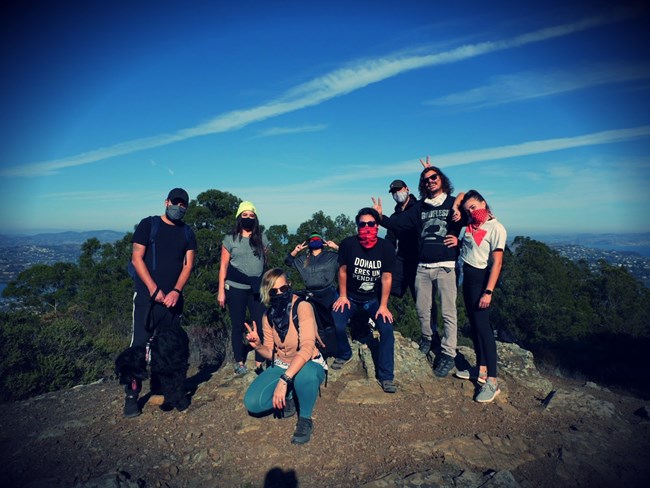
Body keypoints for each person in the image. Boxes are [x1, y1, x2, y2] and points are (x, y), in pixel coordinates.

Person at [372, 159, 462, 378]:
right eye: (426, 179)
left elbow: (474, 206)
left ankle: (448, 353)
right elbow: (397, 225)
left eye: (434, 177)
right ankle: (427, 339)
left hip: (446, 266)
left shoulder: (452, 203)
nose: (430, 181)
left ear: (442, 179)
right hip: (422, 267)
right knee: (423, 309)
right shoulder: (419, 208)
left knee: (448, 312)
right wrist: (379, 217)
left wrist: (459, 209)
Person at [125, 187, 197, 417]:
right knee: (138, 347)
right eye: (175, 202)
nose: (179, 207)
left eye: (183, 204)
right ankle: (131, 396)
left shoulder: (187, 232)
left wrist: (176, 290)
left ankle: (169, 392)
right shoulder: (149, 225)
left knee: (170, 349)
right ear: (166, 202)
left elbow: (188, 265)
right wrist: (154, 289)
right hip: (148, 299)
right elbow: (137, 259)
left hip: (173, 301)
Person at [243, 268, 326, 444]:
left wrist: (284, 380)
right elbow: (270, 352)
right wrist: (258, 346)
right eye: (274, 291)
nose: (280, 293)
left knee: (307, 375)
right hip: (282, 363)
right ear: (268, 293)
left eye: (284, 289)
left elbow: (306, 347)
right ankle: (290, 396)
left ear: (290, 286)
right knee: (253, 403)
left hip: (307, 362)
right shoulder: (268, 316)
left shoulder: (302, 307)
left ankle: (305, 418)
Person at [330, 208, 397, 393]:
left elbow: (386, 278)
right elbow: (342, 271)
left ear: (377, 225)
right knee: (338, 322)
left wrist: (383, 306)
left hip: (372, 300)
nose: (367, 227)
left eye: (371, 224)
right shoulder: (348, 244)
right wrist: (342, 296)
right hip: (349, 295)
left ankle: (386, 376)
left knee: (386, 330)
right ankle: (345, 353)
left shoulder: (386, 248)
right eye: (362, 224)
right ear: (357, 226)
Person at [454, 190, 506, 403]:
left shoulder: (496, 228)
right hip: (468, 280)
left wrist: (488, 291)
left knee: (484, 329)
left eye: (474, 207)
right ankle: (481, 370)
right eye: (468, 210)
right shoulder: (470, 226)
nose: (471, 211)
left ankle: (492, 382)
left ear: (484, 203)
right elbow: (460, 195)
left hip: (482, 282)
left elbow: (497, 263)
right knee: (474, 326)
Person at [218, 201, 269, 376]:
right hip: (235, 287)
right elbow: (223, 266)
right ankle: (239, 362)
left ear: (255, 218)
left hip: (257, 289)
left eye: (251, 215)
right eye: (244, 215)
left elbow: (264, 263)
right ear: (239, 217)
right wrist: (221, 291)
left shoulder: (262, 238)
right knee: (238, 325)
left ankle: (260, 361)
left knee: (261, 324)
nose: (248, 218)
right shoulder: (230, 239)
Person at [284, 232, 340, 358]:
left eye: (317, 239)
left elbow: (348, 256)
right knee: (314, 324)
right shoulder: (303, 259)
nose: (315, 241)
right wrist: (295, 251)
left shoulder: (331, 256)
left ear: (323, 242)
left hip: (328, 294)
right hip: (310, 295)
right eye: (312, 239)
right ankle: (319, 351)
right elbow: (288, 261)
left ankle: (333, 350)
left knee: (330, 323)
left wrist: (335, 247)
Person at [386, 179, 418, 299]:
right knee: (387, 289)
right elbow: (390, 241)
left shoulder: (419, 208)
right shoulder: (394, 217)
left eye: (399, 189)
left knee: (422, 300)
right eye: (393, 192)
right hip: (401, 260)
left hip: (420, 260)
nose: (397, 193)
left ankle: (431, 319)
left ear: (407, 189)